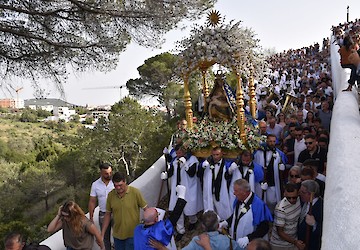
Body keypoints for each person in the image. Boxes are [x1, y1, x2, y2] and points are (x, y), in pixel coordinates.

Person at [160, 144, 203, 240]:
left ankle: (193, 221)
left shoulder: (193, 160)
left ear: (184, 151)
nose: (178, 154)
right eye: (177, 152)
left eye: (179, 152)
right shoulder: (175, 161)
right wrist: (166, 175)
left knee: (190, 209)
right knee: (177, 209)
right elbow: (171, 172)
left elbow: (192, 173)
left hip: (188, 188)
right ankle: (181, 230)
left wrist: (185, 164)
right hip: (177, 189)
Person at [101, 172, 148, 250]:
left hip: (133, 235)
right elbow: (107, 215)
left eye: (120, 185)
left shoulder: (135, 192)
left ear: (125, 181)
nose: (118, 188)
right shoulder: (111, 195)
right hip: (117, 236)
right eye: (115, 186)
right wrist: (102, 234)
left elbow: (146, 209)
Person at [133, 185, 187, 250]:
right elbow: (174, 217)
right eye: (157, 214)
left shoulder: (137, 229)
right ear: (156, 219)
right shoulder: (156, 231)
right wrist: (181, 197)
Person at [227, 179, 273, 249]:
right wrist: (226, 222)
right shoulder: (238, 200)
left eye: (236, 191)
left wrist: (248, 238)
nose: (234, 193)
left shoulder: (259, 205)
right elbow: (235, 216)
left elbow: (264, 228)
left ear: (244, 192)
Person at [254, 134, 287, 213]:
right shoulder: (259, 152)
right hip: (262, 181)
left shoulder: (278, 153)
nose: (272, 143)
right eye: (270, 141)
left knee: (272, 201)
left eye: (273, 141)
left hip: (272, 180)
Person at [270, 183, 305, 250]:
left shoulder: (299, 200)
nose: (291, 200)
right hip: (279, 245)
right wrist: (295, 242)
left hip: (293, 241)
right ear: (284, 194)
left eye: (294, 197)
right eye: (288, 198)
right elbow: (280, 232)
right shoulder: (280, 209)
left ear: (298, 193)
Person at [88, 162, 114, 250]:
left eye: (110, 173)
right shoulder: (95, 185)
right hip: (103, 213)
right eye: (106, 173)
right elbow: (92, 201)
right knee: (105, 239)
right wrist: (91, 218)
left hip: (116, 212)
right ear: (101, 173)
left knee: (118, 235)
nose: (109, 175)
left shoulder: (115, 182)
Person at [202, 147, 232, 220]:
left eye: (217, 154)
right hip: (210, 190)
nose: (215, 157)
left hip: (221, 190)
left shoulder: (226, 164)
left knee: (223, 206)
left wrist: (230, 170)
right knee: (209, 205)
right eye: (214, 155)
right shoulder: (208, 163)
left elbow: (229, 176)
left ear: (222, 154)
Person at [298, 180, 323, 250]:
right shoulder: (302, 201)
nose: (300, 194)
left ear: (311, 194)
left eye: (303, 192)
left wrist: (314, 224)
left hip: (312, 246)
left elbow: (324, 231)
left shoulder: (321, 207)